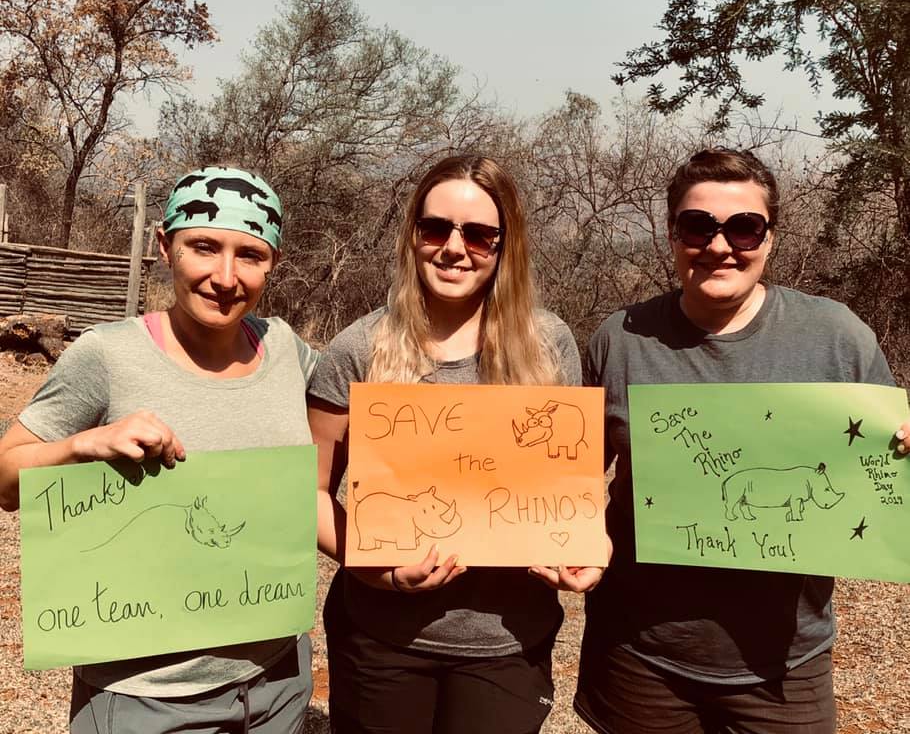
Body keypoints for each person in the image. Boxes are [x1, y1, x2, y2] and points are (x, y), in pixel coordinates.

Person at [574, 147, 897, 734]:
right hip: (639, 657)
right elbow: (572, 480)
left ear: (769, 238)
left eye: (744, 228)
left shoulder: (837, 337)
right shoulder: (618, 340)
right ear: (672, 234)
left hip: (785, 662)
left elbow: (883, 476)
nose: (720, 246)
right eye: (698, 226)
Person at [0, 166, 318, 734]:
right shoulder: (107, 355)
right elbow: (3, 479)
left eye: (250, 254)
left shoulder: (287, 351)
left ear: (272, 263)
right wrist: (82, 446)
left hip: (277, 683)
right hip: (145, 698)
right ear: (164, 246)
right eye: (204, 247)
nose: (225, 276)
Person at [307, 154, 600, 734]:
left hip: (508, 641)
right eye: (435, 228)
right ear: (412, 235)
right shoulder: (356, 349)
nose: (454, 248)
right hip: (382, 638)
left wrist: (584, 553)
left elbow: (572, 488)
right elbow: (308, 490)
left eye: (480, 234)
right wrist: (380, 574)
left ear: (505, 244)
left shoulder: (549, 345)